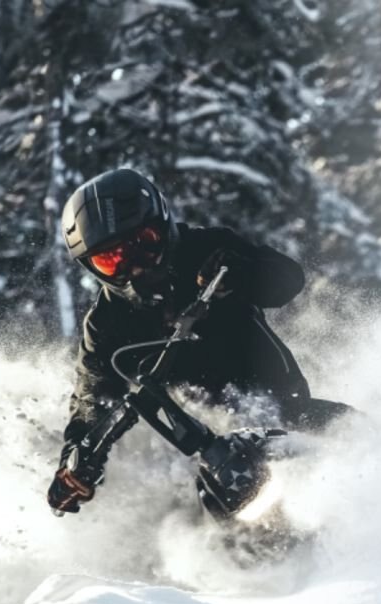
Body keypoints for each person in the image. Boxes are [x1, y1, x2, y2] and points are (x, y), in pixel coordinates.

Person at [47, 168, 349, 514]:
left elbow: (289, 279)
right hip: (207, 450)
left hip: (282, 406)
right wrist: (76, 462)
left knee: (353, 433)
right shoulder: (105, 325)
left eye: (144, 243)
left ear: (163, 225)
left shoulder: (209, 250)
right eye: (111, 260)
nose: (135, 267)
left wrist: (243, 272)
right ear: (92, 267)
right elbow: (92, 398)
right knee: (186, 509)